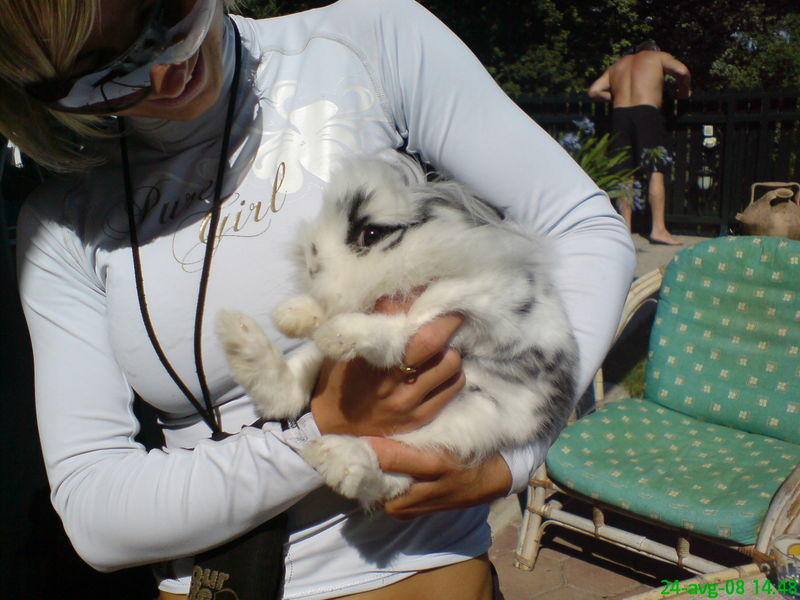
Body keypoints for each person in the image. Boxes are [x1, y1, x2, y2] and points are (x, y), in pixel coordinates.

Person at [0, 0, 636, 598]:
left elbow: (580, 226)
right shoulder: (61, 223)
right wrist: (321, 429)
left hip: (414, 569)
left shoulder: (367, 43)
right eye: (102, 71)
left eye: (169, 15)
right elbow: (94, 513)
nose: (165, 74)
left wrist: (513, 456)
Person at [588, 40, 692, 245]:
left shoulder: (618, 64)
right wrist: (683, 90)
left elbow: (594, 91)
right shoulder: (658, 57)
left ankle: (624, 230)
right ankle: (658, 230)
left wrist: (617, 96)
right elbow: (682, 70)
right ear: (654, 50)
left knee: (624, 174)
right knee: (655, 170)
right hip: (647, 113)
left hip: (619, 115)